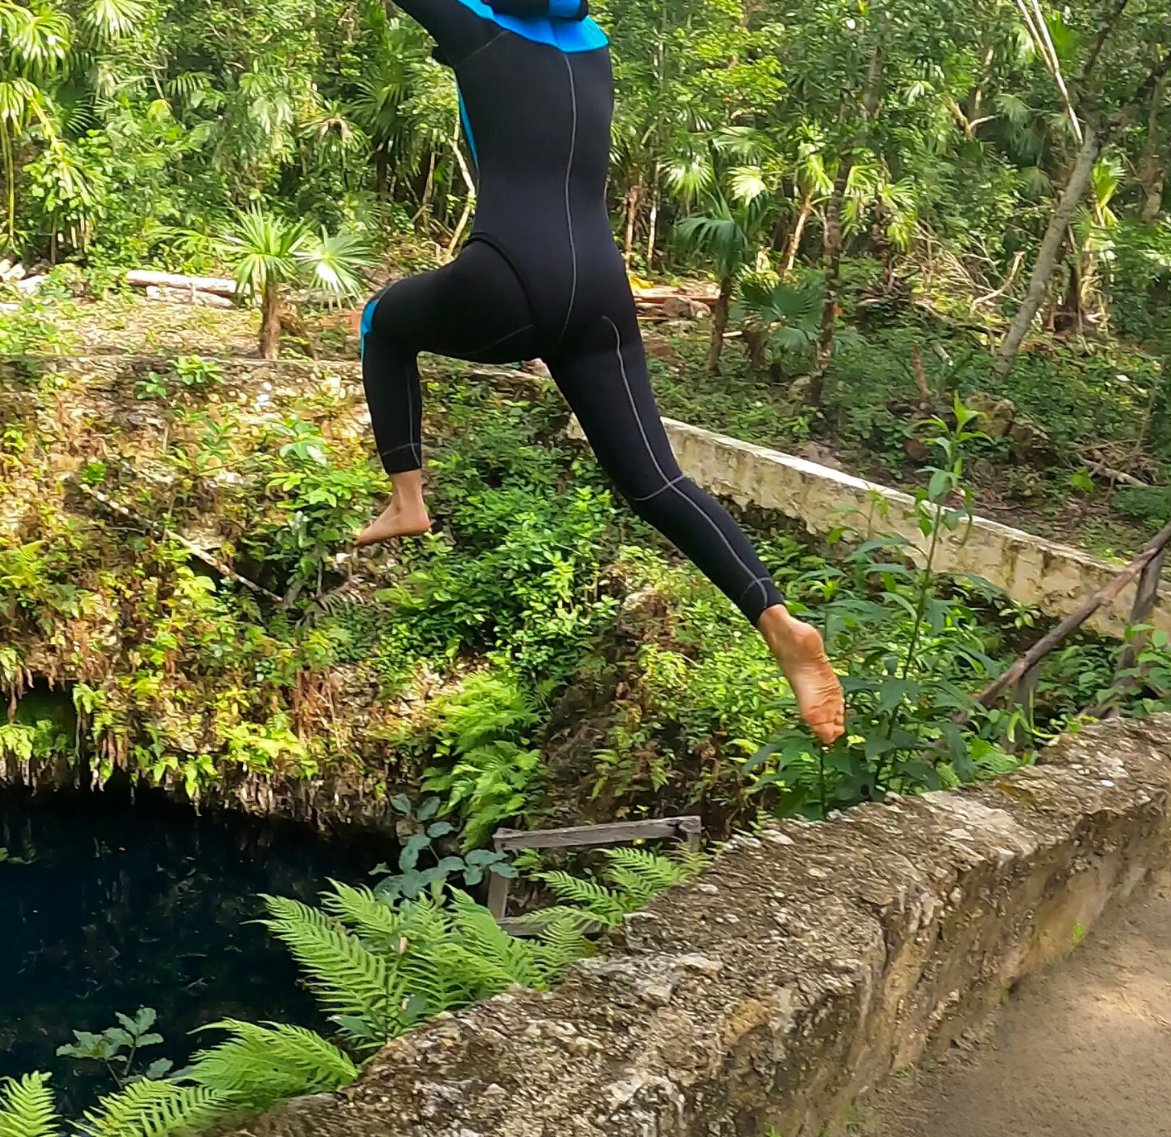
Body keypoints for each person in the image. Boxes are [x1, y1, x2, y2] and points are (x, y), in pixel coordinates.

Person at [351, 0, 845, 746]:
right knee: (657, 482)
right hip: (602, 296)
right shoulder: (594, 45)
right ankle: (778, 624)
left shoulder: (476, 25)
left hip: (510, 276)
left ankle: (407, 498)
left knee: (380, 325)